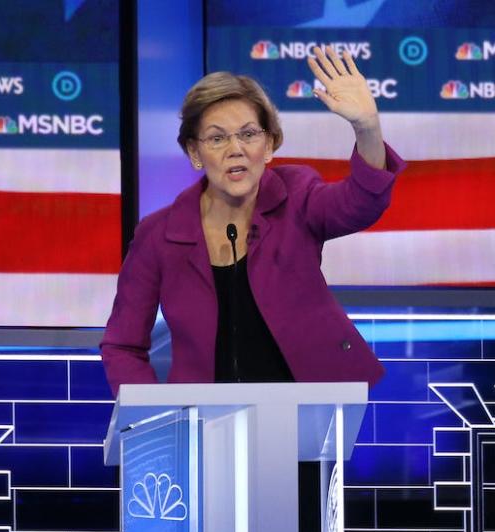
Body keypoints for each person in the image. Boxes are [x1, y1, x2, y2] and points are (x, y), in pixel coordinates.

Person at [100, 46, 404, 394]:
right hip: (204, 425)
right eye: (217, 138)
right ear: (194, 153)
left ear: (270, 144)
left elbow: (362, 203)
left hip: (307, 412)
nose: (236, 149)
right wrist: (152, 417)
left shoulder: (298, 196)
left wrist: (367, 127)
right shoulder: (158, 235)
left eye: (248, 134)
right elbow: (122, 345)